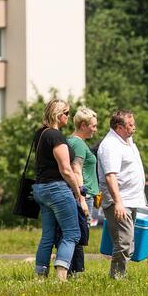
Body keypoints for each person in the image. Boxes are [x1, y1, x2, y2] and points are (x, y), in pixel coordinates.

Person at [31, 99, 88, 281]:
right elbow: (66, 169)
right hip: (57, 189)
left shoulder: (40, 134)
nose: (68, 117)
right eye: (66, 113)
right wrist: (78, 192)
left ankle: (40, 276)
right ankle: (61, 275)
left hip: (40, 189)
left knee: (47, 234)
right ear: (57, 114)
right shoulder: (56, 136)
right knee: (72, 232)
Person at [97, 109, 147, 279]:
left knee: (128, 242)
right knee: (124, 242)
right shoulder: (110, 145)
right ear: (119, 127)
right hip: (120, 201)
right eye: (130, 125)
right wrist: (118, 203)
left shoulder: (127, 141)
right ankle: (116, 279)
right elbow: (110, 176)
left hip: (132, 199)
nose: (135, 128)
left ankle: (120, 275)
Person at [55, 107, 99, 275]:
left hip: (78, 194)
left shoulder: (70, 141)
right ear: (83, 125)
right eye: (93, 126)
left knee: (74, 232)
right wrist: (81, 197)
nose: (95, 129)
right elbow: (76, 169)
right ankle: (75, 271)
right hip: (83, 194)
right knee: (79, 233)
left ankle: (74, 270)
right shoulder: (79, 144)